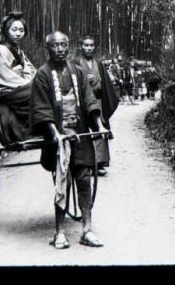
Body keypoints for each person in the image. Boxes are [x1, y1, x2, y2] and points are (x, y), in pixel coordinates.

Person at [30, 31, 109, 249]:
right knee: (62, 184)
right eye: (55, 45)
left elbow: (90, 101)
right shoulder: (43, 75)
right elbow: (42, 108)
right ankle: (59, 232)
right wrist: (54, 132)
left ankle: (87, 230)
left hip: (79, 132)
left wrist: (99, 126)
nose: (60, 49)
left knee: (84, 180)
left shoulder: (79, 71)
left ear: (69, 46)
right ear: (48, 48)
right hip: (58, 136)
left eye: (64, 44)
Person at [0, 11, 36, 140]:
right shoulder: (0, 50)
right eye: (14, 30)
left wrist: (33, 80)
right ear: (6, 31)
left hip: (19, 89)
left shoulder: (19, 52)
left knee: (41, 87)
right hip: (6, 90)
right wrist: (27, 83)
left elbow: (31, 71)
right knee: (36, 90)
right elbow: (4, 76)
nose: (18, 34)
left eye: (21, 30)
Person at [73, 36, 119, 176]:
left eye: (91, 45)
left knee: (100, 131)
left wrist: (97, 85)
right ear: (81, 46)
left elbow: (105, 84)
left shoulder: (98, 64)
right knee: (83, 131)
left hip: (98, 101)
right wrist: (84, 81)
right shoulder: (74, 63)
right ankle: (84, 163)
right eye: (86, 45)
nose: (89, 48)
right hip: (82, 103)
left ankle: (99, 163)